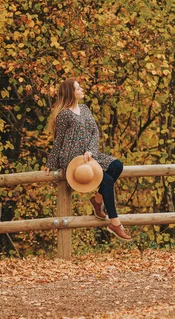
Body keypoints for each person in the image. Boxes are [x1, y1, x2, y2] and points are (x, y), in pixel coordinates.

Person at [44, 79, 132, 241]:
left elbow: (94, 132)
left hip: (89, 155)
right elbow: (59, 139)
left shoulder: (84, 109)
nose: (82, 89)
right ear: (71, 93)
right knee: (106, 180)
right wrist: (51, 163)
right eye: (78, 88)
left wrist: (90, 150)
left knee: (117, 166)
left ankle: (97, 201)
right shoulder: (64, 114)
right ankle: (115, 223)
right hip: (73, 159)